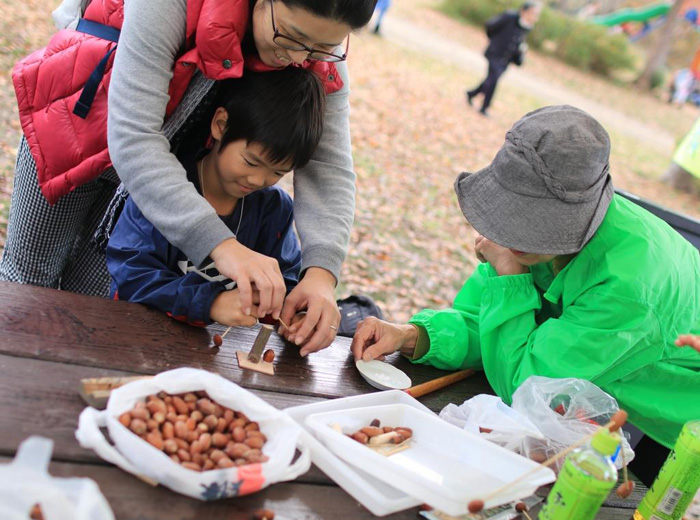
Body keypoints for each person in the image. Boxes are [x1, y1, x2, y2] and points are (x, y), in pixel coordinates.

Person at [4, 0, 377, 356]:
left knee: (93, 298)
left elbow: (330, 165)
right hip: (77, 130)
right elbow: (134, 137)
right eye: (291, 37)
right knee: (28, 281)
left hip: (166, 171)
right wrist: (222, 246)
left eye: (321, 47)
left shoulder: (315, 41)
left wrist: (321, 274)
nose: (299, 58)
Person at [351, 105, 700, 484]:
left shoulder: (630, 286)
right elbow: (488, 326)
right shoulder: (525, 246)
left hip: (680, 410)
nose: (514, 235)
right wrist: (416, 335)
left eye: (533, 223)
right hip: (609, 385)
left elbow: (529, 386)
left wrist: (509, 275)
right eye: (512, 214)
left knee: (640, 497)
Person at [106, 67, 323, 326]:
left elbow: (285, 279)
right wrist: (211, 302)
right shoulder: (164, 188)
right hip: (135, 337)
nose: (257, 180)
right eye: (251, 162)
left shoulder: (273, 210)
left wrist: (291, 309)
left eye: (277, 171)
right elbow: (131, 275)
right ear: (221, 125)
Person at [466, 2, 541, 117]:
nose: (534, 17)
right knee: (494, 79)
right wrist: (495, 43)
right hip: (495, 54)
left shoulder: (527, 27)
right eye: (533, 13)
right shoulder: (509, 17)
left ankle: (471, 93)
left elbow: (519, 41)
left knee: (490, 80)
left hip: (506, 59)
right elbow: (490, 26)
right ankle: (484, 107)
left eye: (536, 14)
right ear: (524, 11)